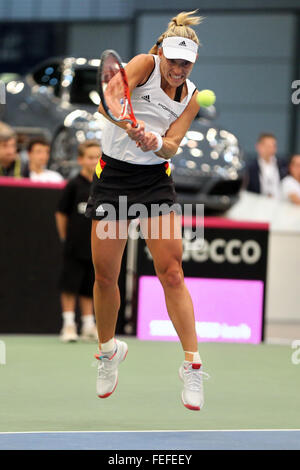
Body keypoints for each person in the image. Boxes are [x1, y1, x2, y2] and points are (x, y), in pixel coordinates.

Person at [85, 10, 209, 411]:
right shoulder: (143, 63)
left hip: (155, 182)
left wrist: (154, 141)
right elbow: (110, 102)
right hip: (114, 179)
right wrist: (126, 121)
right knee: (106, 276)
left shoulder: (191, 96)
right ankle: (108, 352)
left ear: (192, 63)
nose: (177, 68)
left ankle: (192, 365)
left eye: (185, 63)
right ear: (163, 51)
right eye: (173, 60)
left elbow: (173, 144)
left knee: (171, 271)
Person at [55, 140, 101, 342]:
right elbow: (61, 213)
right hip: (74, 246)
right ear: (81, 160)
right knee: (69, 286)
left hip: (96, 247)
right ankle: (68, 324)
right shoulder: (74, 185)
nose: (95, 161)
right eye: (91, 157)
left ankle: (89, 324)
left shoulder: (103, 186)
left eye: (98, 157)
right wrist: (66, 237)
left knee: (90, 286)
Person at [246, 133, 287, 198]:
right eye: (267, 146)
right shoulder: (250, 167)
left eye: (273, 146)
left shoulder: (283, 165)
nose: (270, 149)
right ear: (258, 146)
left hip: (280, 202)